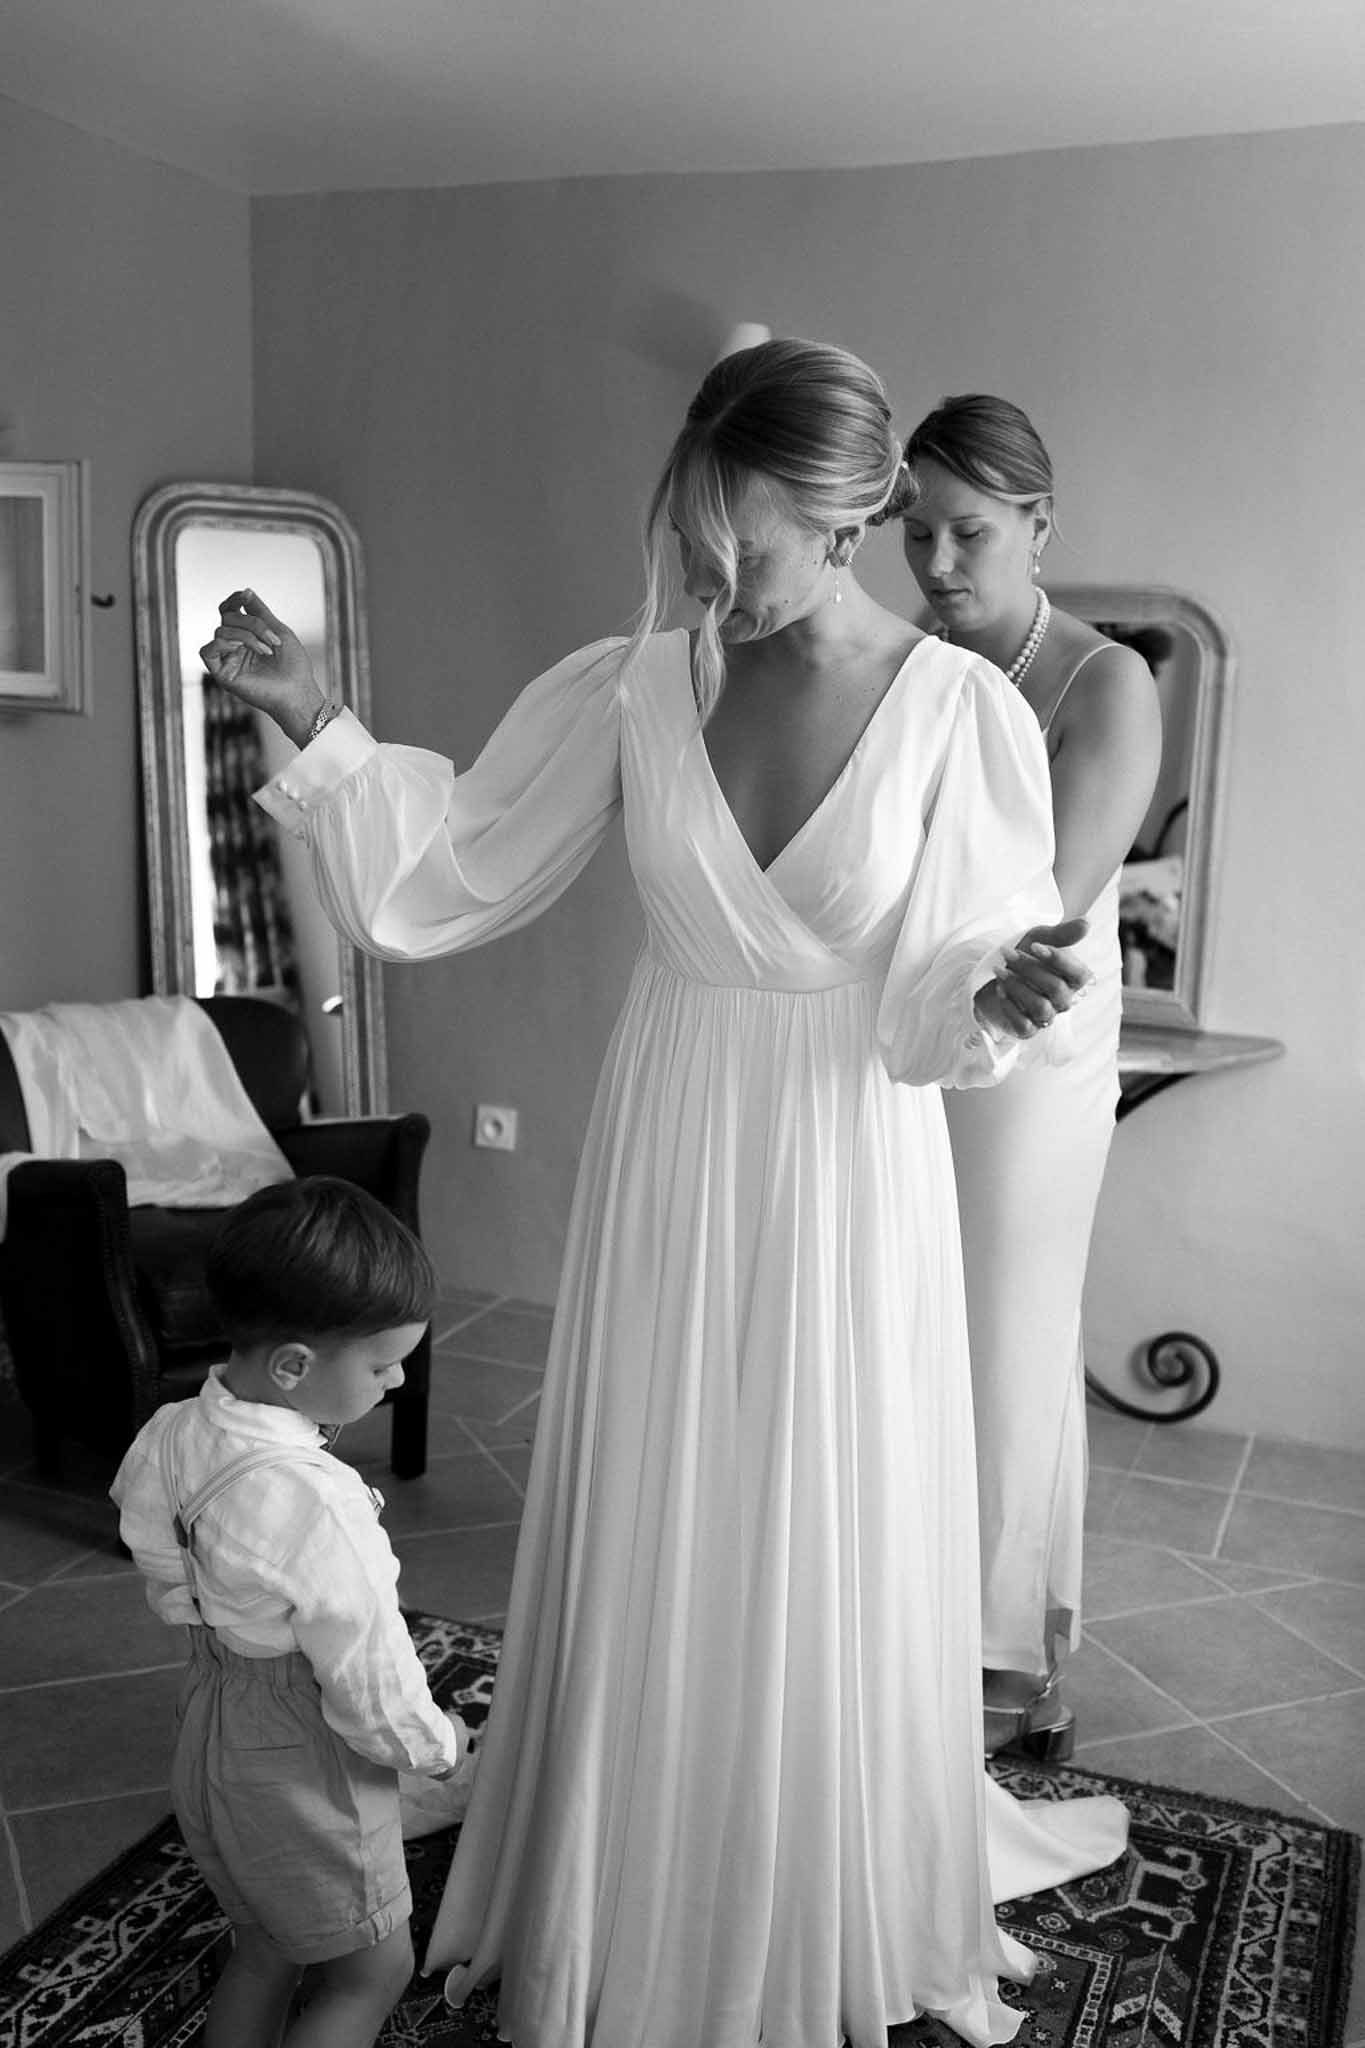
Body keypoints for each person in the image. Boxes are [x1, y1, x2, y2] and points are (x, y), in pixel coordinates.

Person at [199, 338, 1128, 2048]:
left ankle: (802, 1855)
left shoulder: (960, 713)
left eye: (749, 542)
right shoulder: (640, 681)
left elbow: (945, 979)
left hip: (850, 1154)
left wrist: (991, 996)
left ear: (851, 517)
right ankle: (625, 1845)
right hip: (675, 1125)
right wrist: (318, 722)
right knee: (662, 1473)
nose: (712, 574)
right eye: (692, 536)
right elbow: (454, 860)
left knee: (819, 1482)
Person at [900, 395, 1163, 1759]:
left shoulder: (1102, 684)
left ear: (1039, 525)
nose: (938, 565)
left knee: (1004, 1328)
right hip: (908, 1035)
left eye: (969, 533)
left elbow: (1049, 908)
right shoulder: (905, 671)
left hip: (1029, 1044)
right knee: (908, 1326)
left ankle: (1000, 1655)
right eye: (915, 533)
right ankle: (919, 1614)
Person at [110, 1176, 470, 2048]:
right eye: (383, 1362)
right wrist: (437, 1749)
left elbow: (152, 1543)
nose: (396, 1378)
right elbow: (368, 1674)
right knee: (370, 1971)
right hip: (299, 1759)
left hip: (211, 1724)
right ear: (296, 1367)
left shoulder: (169, 1431)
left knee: (265, 1947)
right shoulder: (317, 1505)